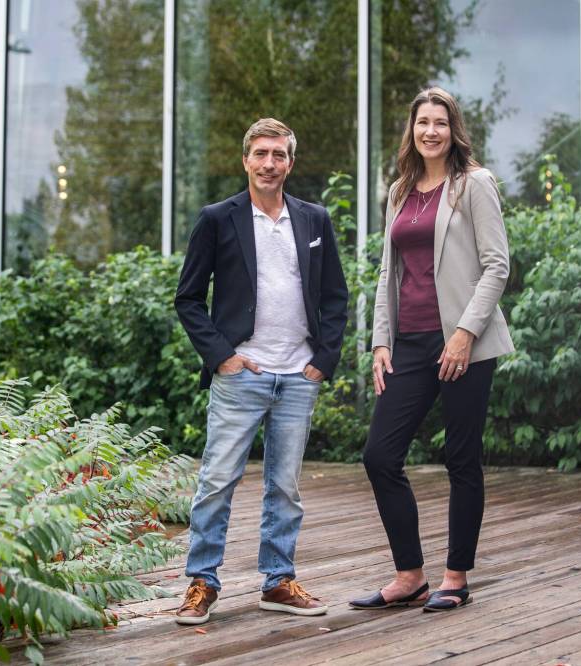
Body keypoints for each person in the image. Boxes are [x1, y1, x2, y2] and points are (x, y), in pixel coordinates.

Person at [173, 118, 349, 624]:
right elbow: (188, 298)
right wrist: (222, 357)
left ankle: (278, 581)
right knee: (217, 480)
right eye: (260, 154)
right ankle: (202, 582)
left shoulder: (314, 219)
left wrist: (323, 362)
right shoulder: (216, 219)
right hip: (241, 374)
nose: (269, 164)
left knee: (285, 486)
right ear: (245, 159)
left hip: (298, 376)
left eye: (279, 155)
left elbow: (335, 297)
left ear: (290, 162)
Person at [349, 87, 514, 613]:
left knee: (462, 458)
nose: (431, 131)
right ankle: (410, 574)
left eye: (441, 122)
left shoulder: (473, 185)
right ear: (412, 130)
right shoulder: (399, 191)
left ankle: (455, 577)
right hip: (410, 344)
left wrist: (464, 333)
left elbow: (497, 265)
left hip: (464, 344)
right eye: (423, 122)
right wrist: (379, 340)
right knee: (380, 456)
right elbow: (386, 272)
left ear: (453, 129)